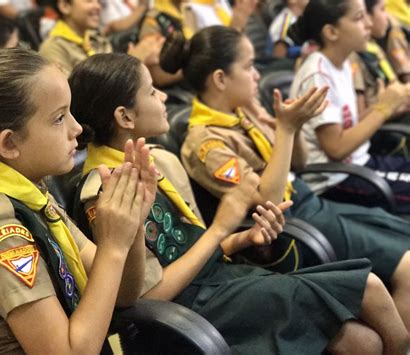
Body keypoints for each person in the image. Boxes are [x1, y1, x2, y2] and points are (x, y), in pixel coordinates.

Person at [68, 52, 409, 354]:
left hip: (221, 278)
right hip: (193, 306)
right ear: (125, 117)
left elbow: (193, 247)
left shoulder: (160, 160)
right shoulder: (105, 192)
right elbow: (145, 298)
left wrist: (242, 239)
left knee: (365, 341)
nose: (165, 96)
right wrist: (221, 229)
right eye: (152, 91)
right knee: (369, 287)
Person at [159, 24, 410, 339]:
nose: (256, 75)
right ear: (221, 79)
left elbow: (298, 164)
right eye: (249, 67)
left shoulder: (241, 111)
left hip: (309, 202)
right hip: (290, 226)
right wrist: (286, 130)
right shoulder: (204, 142)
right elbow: (269, 201)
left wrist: (287, 126)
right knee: (407, 267)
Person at [0, 48, 154, 353]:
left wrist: (131, 224)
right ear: (10, 143)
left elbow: (125, 292)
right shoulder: (6, 233)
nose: (77, 129)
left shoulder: (34, 200)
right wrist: (114, 246)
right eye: (59, 118)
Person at [288, 0, 410, 213]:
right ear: (331, 32)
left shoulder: (343, 63)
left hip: (361, 164)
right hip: (337, 178)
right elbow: (336, 148)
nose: (368, 24)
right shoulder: (317, 75)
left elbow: (349, 125)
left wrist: (382, 105)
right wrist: (383, 109)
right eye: (359, 18)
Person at [39, 0, 164, 75]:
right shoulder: (53, 49)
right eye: (89, 1)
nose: (98, 7)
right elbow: (74, 100)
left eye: (98, 1)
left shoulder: (97, 39)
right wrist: (133, 62)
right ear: (65, 6)